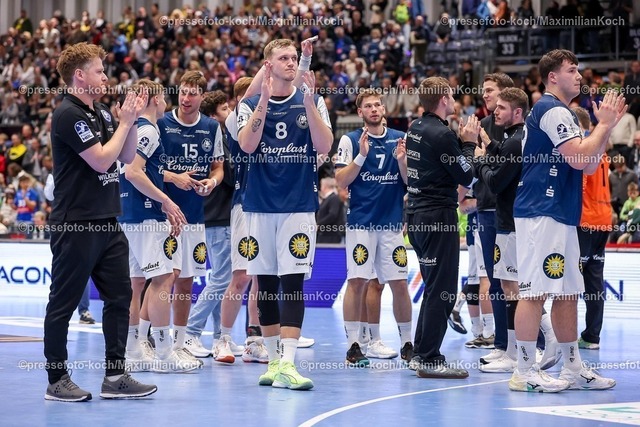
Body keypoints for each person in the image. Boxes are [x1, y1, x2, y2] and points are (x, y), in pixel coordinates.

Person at [43, 42, 156, 402]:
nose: (106, 77)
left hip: (107, 220)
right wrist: (124, 122)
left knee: (120, 296)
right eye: (99, 71)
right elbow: (101, 160)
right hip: (76, 223)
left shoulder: (103, 112)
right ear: (79, 76)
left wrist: (131, 121)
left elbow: (126, 155)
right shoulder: (68, 114)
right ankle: (56, 380)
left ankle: (115, 375)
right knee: (63, 303)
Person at [510, 49, 624, 393]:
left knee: (569, 292)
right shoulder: (552, 109)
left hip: (560, 212)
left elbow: (589, 165)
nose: (579, 76)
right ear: (552, 77)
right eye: (572, 70)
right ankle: (523, 370)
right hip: (540, 212)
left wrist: (606, 128)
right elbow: (577, 157)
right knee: (535, 292)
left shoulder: (566, 114)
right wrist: (602, 125)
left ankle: (573, 367)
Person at [237, 39, 332, 390]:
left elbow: (324, 146)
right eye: (283, 58)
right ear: (268, 65)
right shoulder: (248, 104)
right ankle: (274, 362)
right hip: (259, 206)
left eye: (294, 58)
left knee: (292, 284)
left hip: (298, 206)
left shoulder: (312, 100)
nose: (291, 63)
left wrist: (308, 103)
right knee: (265, 284)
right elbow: (247, 145)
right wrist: (262, 99)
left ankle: (289, 363)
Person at [119, 79, 199, 373]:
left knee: (137, 283)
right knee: (163, 279)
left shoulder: (130, 129)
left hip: (128, 215)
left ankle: (133, 351)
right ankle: (165, 355)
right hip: (144, 215)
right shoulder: (149, 130)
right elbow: (133, 172)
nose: (166, 102)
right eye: (164, 97)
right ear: (155, 100)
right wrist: (166, 201)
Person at [405, 76, 479, 379]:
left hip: (417, 215)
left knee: (434, 288)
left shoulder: (416, 127)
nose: (455, 100)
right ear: (443, 100)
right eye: (451, 95)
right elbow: (467, 175)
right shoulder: (442, 134)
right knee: (444, 290)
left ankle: (421, 353)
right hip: (437, 217)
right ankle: (429, 358)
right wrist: (469, 143)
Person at [335, 89, 413, 367]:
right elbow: (341, 181)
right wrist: (361, 156)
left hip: (391, 224)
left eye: (378, 104)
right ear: (360, 112)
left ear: (384, 109)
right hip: (361, 224)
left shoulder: (400, 138)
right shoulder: (350, 139)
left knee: (399, 283)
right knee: (357, 282)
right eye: (368, 106)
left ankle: (407, 343)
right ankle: (353, 345)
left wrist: (402, 160)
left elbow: (409, 182)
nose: (374, 109)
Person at [156, 70, 224, 365]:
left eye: (192, 93)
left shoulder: (211, 127)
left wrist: (213, 182)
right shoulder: (161, 124)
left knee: (186, 281)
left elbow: (218, 167)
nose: (186, 98)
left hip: (194, 217)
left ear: (201, 96)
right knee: (164, 279)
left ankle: (181, 342)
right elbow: (145, 167)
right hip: (165, 214)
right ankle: (151, 340)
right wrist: (175, 177)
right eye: (183, 92)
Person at [474, 87, 529, 373]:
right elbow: (506, 160)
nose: (495, 111)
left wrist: (479, 159)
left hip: (510, 224)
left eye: (502, 108)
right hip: (513, 222)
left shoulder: (514, 141)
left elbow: (496, 183)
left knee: (513, 289)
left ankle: (519, 352)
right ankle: (512, 350)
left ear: (517, 112)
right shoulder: (515, 138)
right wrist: (489, 145)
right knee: (512, 288)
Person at [573, 106, 612, 351]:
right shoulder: (602, 150)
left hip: (585, 221)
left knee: (570, 281)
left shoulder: (584, 149)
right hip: (603, 220)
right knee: (594, 283)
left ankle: (563, 337)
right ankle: (592, 337)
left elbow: (580, 187)